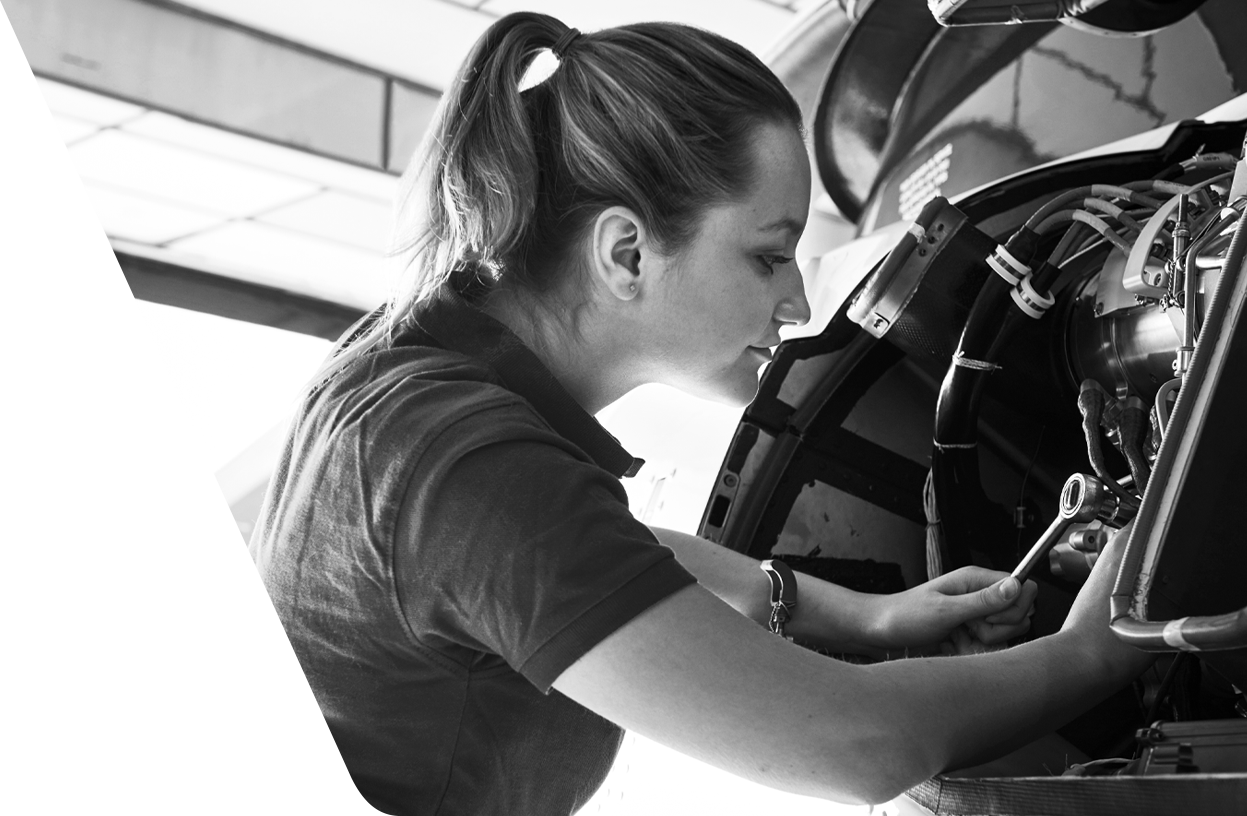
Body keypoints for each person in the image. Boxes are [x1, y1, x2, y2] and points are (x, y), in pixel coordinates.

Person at [250, 11, 1153, 815]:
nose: (798, 305)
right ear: (627, 253)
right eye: (770, 256)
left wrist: (854, 617)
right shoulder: (465, 466)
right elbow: (855, 746)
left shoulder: (397, 382)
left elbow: (570, 555)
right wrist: (1099, 646)